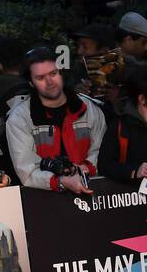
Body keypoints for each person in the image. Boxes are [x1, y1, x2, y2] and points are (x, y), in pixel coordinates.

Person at [6, 47, 104, 193]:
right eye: (40, 77)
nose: (49, 81)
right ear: (31, 83)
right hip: (46, 201)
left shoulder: (89, 108)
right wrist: (61, 181)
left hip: (94, 192)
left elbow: (103, 151)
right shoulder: (20, 119)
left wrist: (85, 167)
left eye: (53, 73)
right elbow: (27, 171)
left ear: (61, 73)